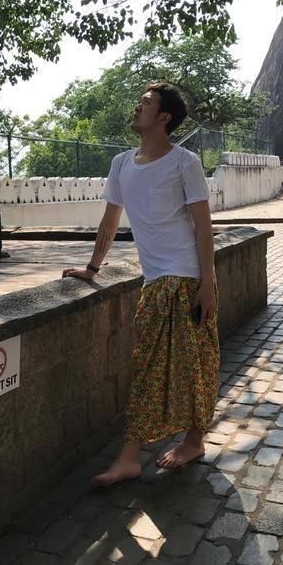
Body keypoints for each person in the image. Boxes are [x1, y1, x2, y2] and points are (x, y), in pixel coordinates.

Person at [62, 82, 220, 486]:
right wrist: (92, 269)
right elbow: (110, 220)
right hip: (156, 278)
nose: (137, 106)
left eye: (146, 103)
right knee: (157, 365)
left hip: (185, 277)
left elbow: (203, 226)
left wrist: (208, 283)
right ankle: (159, 450)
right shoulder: (121, 164)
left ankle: (167, 448)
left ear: (163, 118)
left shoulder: (184, 162)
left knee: (194, 364)